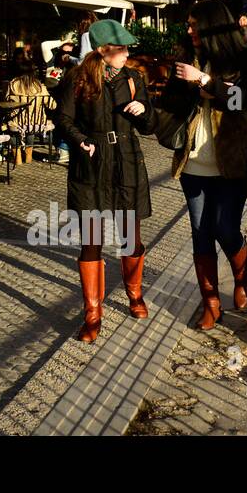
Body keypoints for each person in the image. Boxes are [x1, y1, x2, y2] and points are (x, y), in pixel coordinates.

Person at [56, 20, 159, 342]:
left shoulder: (133, 78)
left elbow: (149, 126)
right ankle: (93, 312)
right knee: (91, 240)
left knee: (131, 237)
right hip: (92, 165)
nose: (127, 54)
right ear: (103, 51)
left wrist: (143, 109)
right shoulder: (78, 78)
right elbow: (62, 118)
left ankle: (134, 294)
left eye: (128, 48)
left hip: (127, 161)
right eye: (121, 49)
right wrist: (80, 140)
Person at [158, 0, 247, 330]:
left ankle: (242, 276)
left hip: (231, 161)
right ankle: (211, 304)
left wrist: (205, 82)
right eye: (188, 25)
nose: (189, 31)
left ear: (212, 26)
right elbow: (169, 104)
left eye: (194, 25)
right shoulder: (185, 57)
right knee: (201, 232)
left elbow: (241, 102)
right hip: (193, 159)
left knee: (225, 228)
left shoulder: (242, 57)